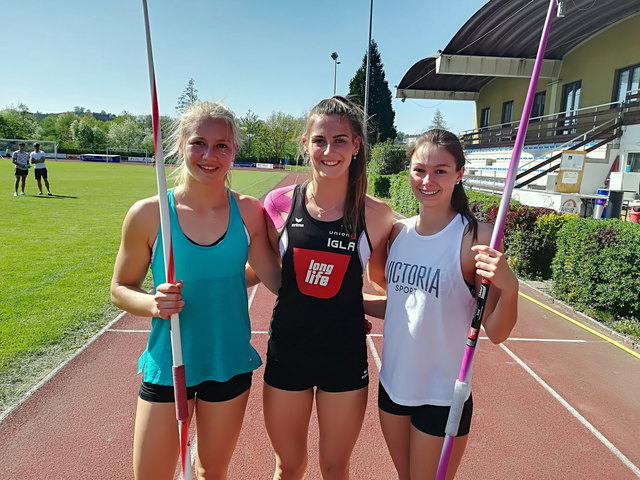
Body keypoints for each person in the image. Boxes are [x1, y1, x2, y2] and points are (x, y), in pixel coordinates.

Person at [110, 101, 280, 480]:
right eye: (199, 142)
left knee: (211, 473)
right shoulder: (149, 214)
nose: (209, 155)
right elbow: (120, 288)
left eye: (222, 145)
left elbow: (277, 280)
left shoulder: (249, 212)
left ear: (234, 151)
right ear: (180, 145)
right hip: (170, 364)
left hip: (229, 363)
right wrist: (153, 303)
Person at [364, 129, 519, 480]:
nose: (427, 180)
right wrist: (349, 306)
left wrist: (510, 289)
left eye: (440, 171)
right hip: (393, 385)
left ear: (459, 174)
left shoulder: (476, 237)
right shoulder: (398, 233)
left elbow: (495, 331)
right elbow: (401, 306)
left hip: (442, 395)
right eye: (420, 170)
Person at [261, 96, 393, 480]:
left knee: (335, 468)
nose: (329, 150)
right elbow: (275, 274)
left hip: (344, 360)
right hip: (288, 355)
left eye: (340, 141)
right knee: (288, 467)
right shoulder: (279, 204)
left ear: (356, 146)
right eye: (320, 140)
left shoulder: (377, 216)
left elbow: (387, 288)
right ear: (306, 144)